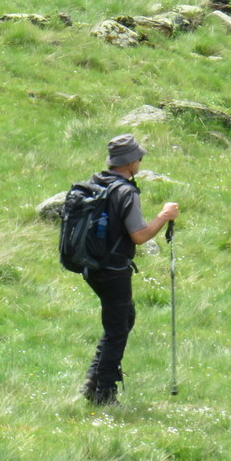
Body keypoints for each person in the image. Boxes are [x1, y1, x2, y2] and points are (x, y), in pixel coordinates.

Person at [79, 134, 178, 405]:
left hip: (90, 264)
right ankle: (104, 393)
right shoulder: (125, 192)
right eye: (139, 158)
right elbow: (139, 236)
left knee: (123, 319)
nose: (141, 162)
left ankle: (93, 380)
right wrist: (164, 216)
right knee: (118, 328)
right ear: (130, 162)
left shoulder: (95, 183)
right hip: (113, 268)